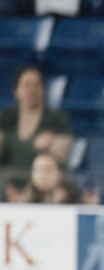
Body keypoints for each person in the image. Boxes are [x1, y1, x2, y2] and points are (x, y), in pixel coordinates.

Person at [0, 65, 73, 199]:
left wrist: (46, 150)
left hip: (43, 191)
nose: (31, 90)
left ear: (43, 89)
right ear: (16, 91)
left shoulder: (56, 120)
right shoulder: (6, 119)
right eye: (27, 85)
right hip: (6, 187)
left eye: (36, 85)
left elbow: (62, 155)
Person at [15, 150, 81, 204]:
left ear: (60, 174)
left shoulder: (72, 196)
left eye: (48, 170)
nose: (42, 175)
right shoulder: (27, 196)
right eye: (38, 170)